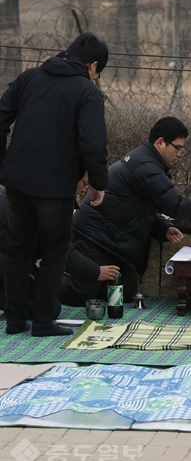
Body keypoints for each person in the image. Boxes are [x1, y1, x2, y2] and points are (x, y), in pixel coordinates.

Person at [66, 116, 191, 305]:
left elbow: (142, 207)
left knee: (124, 294)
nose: (180, 154)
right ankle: (37, 283)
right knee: (81, 293)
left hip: (113, 241)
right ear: (160, 143)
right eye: (178, 147)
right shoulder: (146, 166)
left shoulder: (148, 162)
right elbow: (177, 205)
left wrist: (162, 228)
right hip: (94, 237)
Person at [0, 32, 109, 336]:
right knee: (54, 252)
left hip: (17, 182)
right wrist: (98, 182)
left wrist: (3, 164)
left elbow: (1, 117)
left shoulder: (28, 77)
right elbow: (93, 143)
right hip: (54, 186)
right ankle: (44, 322)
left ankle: (15, 320)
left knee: (19, 250)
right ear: (93, 65)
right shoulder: (87, 92)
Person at [0, 186, 118, 317]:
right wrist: (95, 271)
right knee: (49, 309)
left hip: (13, 260)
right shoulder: (50, 198)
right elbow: (61, 248)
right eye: (84, 182)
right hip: (10, 263)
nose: (84, 189)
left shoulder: (34, 188)